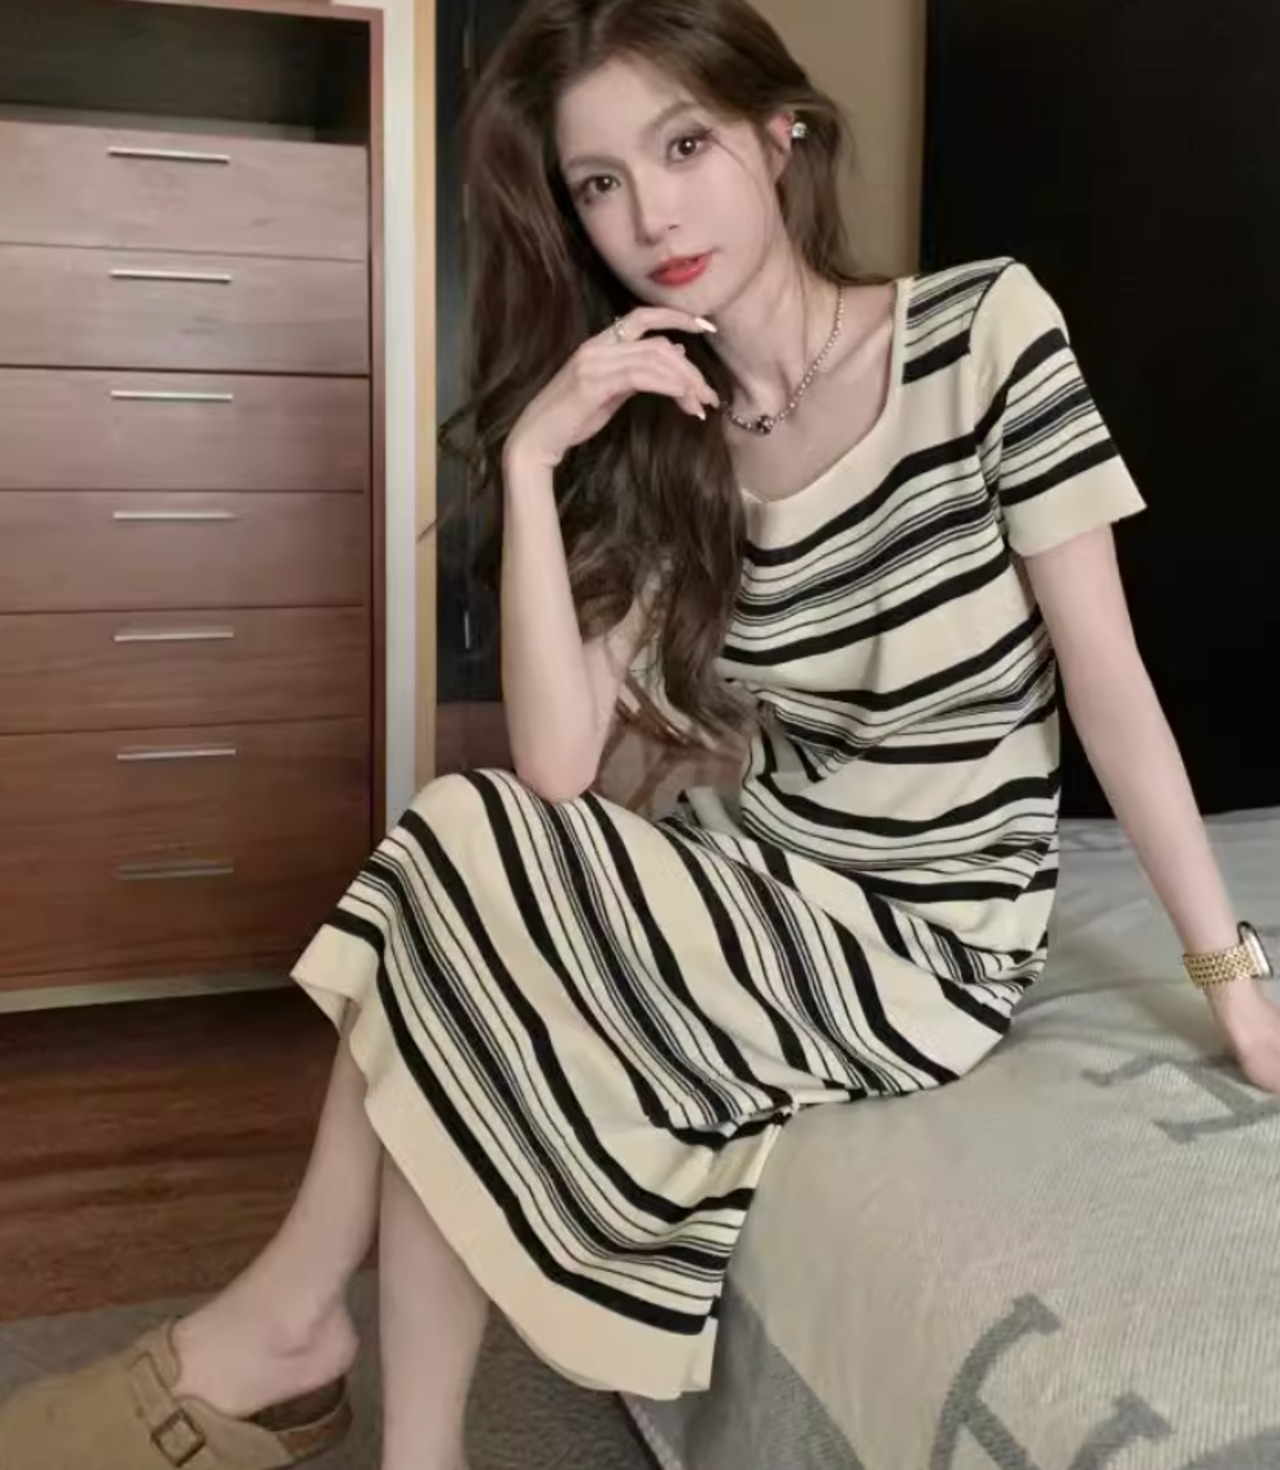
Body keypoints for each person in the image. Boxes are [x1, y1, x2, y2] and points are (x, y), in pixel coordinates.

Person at [5, 0, 1279, 1466]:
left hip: (923, 940)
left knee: (458, 869)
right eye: (601, 182)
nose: (651, 216)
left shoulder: (984, 334)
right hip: (752, 868)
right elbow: (556, 766)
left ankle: (292, 1329)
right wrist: (534, 455)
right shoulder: (667, 434)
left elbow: (1111, 687)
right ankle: (390, 1424)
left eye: (683, 147)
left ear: (779, 134)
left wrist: (1229, 978)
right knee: (467, 901)